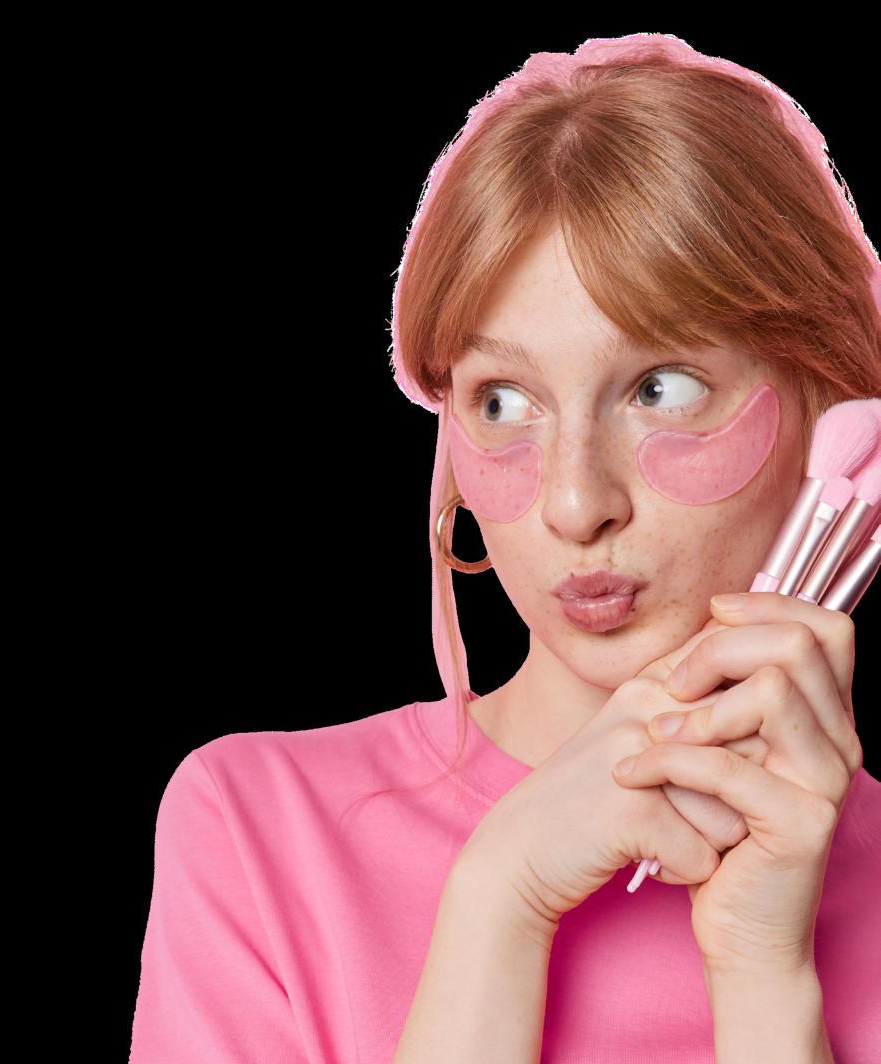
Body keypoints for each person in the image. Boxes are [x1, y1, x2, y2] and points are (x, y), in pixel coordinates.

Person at [130, 32, 881, 1063]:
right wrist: (500, 897)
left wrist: (762, 977)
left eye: (660, 387)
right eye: (503, 401)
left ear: (837, 419)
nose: (575, 503)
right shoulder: (255, 830)